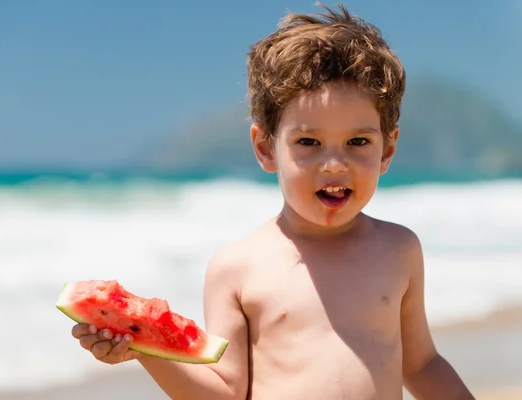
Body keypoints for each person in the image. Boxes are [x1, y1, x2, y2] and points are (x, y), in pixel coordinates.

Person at [71, 4, 475, 399]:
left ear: (387, 150)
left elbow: (420, 364)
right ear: (265, 148)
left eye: (357, 142)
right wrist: (143, 346)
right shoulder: (236, 269)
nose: (334, 164)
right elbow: (226, 391)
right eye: (308, 142)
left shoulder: (399, 249)